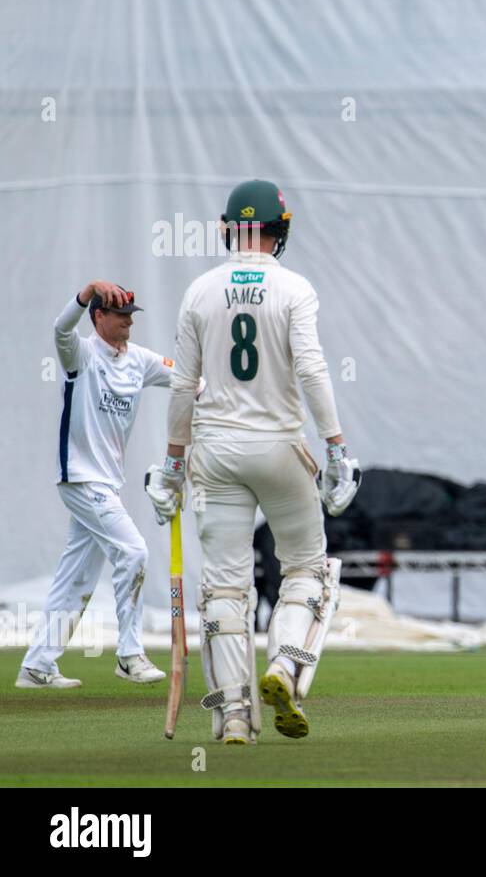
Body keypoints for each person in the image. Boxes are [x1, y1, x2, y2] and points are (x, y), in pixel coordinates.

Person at [147, 179, 360, 745]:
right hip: (279, 448)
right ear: (279, 230)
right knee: (306, 570)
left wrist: (171, 465)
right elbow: (312, 371)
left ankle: (235, 715)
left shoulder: (199, 291)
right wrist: (336, 447)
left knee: (223, 587)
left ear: (227, 228)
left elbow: (182, 386)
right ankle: (284, 667)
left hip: (213, 453)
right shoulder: (294, 288)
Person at [17, 282, 173, 689]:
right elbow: (60, 330)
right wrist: (84, 293)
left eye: (131, 314)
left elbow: (185, 378)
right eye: (119, 313)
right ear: (98, 316)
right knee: (134, 551)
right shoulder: (81, 353)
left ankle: (38, 665)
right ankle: (129, 654)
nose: (128, 320)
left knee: (77, 577)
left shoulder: (139, 360)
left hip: (107, 483)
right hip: (81, 478)